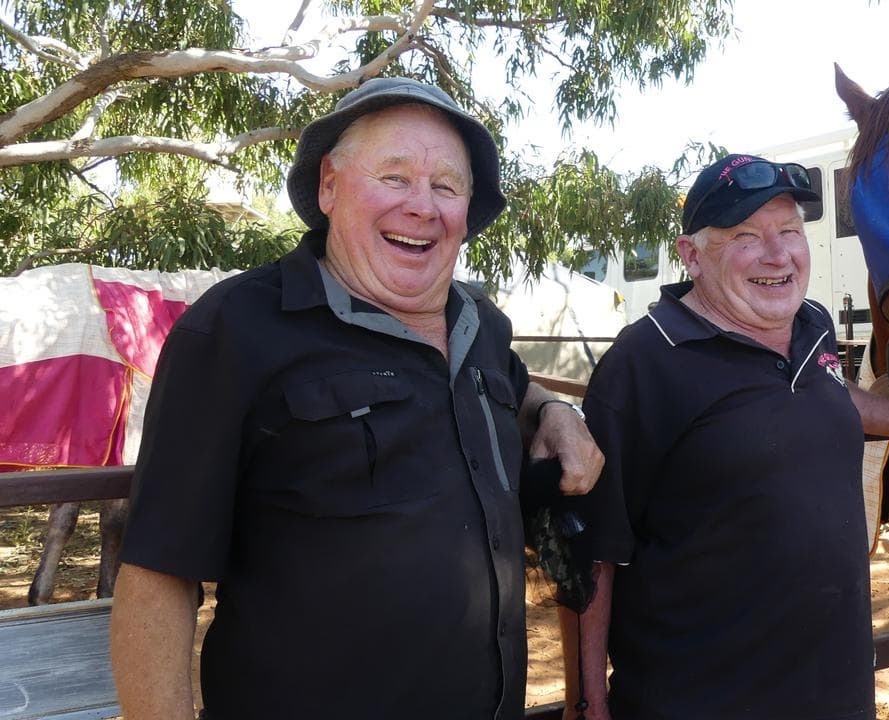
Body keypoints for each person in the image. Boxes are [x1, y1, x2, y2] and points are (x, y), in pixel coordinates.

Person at [108, 77, 603, 720]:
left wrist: (555, 411)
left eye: (447, 186)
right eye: (394, 177)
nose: (422, 206)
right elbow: (156, 577)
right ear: (330, 186)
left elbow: (511, 383)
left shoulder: (481, 325)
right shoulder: (234, 330)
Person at [568, 154, 889, 720]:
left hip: (837, 694)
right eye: (746, 237)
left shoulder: (811, 326)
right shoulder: (643, 365)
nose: (778, 254)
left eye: (789, 231)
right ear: (692, 256)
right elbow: (594, 553)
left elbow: (822, 395)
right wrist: (588, 702)